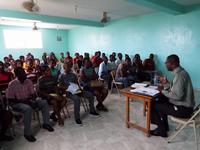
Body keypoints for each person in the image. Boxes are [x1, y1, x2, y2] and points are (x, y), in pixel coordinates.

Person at [150, 54, 195, 137]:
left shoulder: (179, 75)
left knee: (153, 105)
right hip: (185, 106)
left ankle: (161, 131)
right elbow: (175, 89)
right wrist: (166, 83)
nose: (165, 64)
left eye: (166, 62)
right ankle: (164, 127)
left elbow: (177, 96)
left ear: (172, 63)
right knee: (160, 100)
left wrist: (162, 91)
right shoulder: (181, 72)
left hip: (183, 109)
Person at [6, 67, 54, 142]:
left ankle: (46, 123)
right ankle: (27, 133)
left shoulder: (28, 81)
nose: (25, 75)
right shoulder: (12, 84)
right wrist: (27, 102)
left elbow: (33, 94)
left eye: (24, 73)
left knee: (43, 102)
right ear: (17, 75)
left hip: (28, 100)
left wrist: (33, 99)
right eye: (22, 73)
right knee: (27, 108)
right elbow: (10, 99)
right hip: (17, 103)